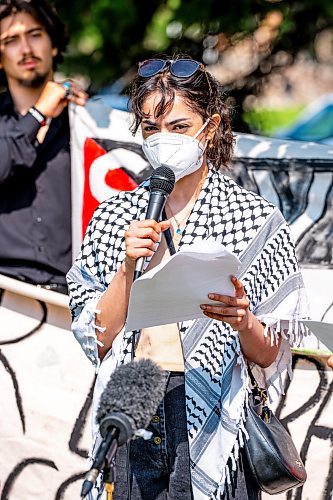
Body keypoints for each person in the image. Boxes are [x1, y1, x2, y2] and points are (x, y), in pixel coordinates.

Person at [67, 56, 310, 499]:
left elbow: (272, 354)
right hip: (134, 402)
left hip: (218, 416)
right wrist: (126, 267)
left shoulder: (254, 219)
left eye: (178, 127)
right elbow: (96, 339)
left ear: (211, 125)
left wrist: (243, 320)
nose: (163, 141)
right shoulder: (114, 215)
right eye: (151, 129)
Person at [0, 0, 87, 293]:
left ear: (53, 44)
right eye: (11, 40)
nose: (26, 49)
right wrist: (38, 115)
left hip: (74, 295)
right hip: (7, 290)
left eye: (35, 34)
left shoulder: (87, 122)